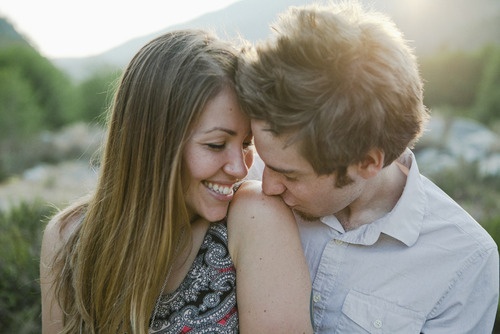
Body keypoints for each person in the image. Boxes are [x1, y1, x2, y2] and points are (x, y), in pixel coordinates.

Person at [236, 2, 499, 333]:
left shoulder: (464, 260)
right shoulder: (242, 179)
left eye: (290, 175)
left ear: (367, 163)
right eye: (261, 157)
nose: (267, 185)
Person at [40, 29, 313, 334]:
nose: (239, 169)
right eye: (216, 144)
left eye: (247, 143)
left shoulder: (254, 218)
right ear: (155, 145)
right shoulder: (69, 239)